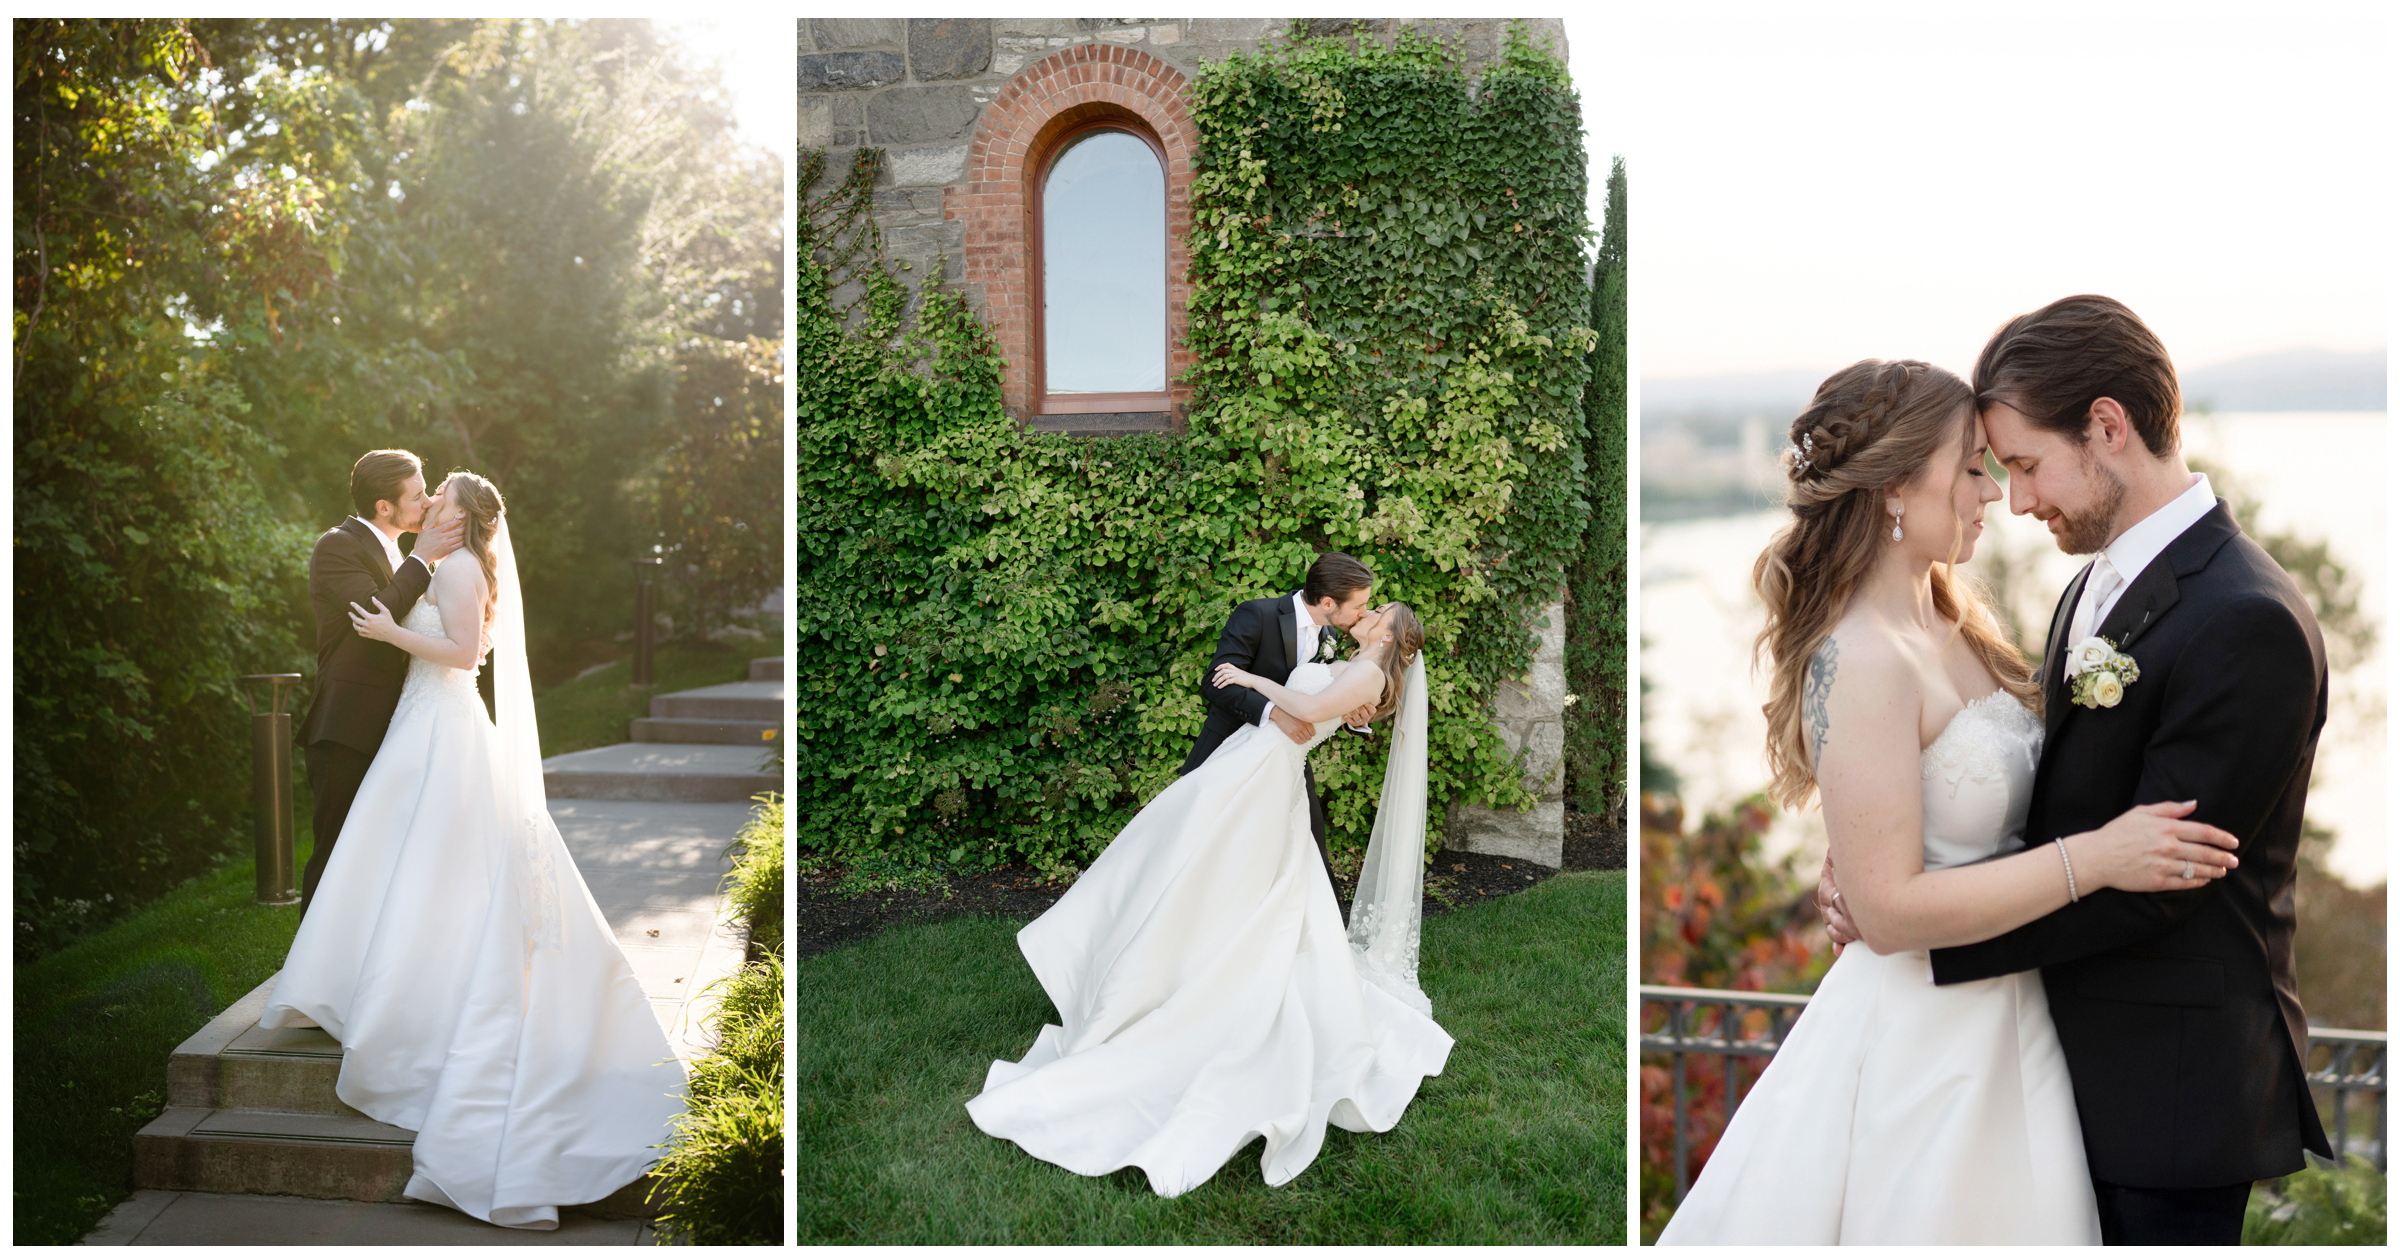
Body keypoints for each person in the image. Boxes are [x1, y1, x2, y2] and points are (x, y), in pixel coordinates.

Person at [1657, 358, 2246, 1245]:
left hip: (2023, 1023)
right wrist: (2095, 859)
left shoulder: (1956, 619)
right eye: (1973, 467)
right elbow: (1887, 912)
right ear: (1897, 485)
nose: (1994, 495)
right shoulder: (1857, 657)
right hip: (1922, 1045)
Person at [1820, 296, 2332, 1244]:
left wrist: (1908, 918)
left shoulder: (2245, 618)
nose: (2015, 500)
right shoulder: (2095, 581)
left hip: (2166, 1100)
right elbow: (2062, 799)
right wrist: (1880, 844)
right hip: (2051, 1068)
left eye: (2023, 465)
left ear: (2107, 426)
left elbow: (2160, 880)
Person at [261, 471, 687, 1229]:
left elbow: (461, 654)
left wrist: (395, 631)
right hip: (414, 724)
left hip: (442, 721)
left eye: (440, 496)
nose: (430, 503)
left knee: (432, 861)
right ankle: (365, 976)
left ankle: (412, 983)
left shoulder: (456, 566)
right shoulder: (412, 557)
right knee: (394, 858)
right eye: (422, 494)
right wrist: (407, 601)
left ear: (463, 515)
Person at [967, 601, 1451, 1197]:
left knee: (1221, 882)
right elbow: (1331, 707)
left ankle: (1197, 984)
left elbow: (1305, 707)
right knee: (1180, 865)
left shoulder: (1370, 671)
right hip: (1252, 768)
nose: (1371, 609)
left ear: (1392, 632)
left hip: (1267, 778)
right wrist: (1341, 713)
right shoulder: (1357, 665)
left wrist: (1252, 680)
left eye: (1381, 610)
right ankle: (1165, 967)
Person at [296, 450, 463, 915]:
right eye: (417, 495)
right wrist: (423, 556)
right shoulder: (337, 546)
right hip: (346, 727)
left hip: (397, 724)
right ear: (384, 507)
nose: (428, 503)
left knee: (380, 859)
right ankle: (310, 973)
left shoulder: (397, 551)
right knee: (335, 855)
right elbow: (373, 617)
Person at [1184, 552, 1382, 888]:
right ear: (1329, 602)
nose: (1364, 613)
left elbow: (1318, 698)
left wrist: (1351, 716)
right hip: (1226, 749)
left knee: (1309, 849)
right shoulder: (1256, 615)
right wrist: (1275, 713)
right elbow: (1216, 682)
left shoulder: (1329, 633)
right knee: (1197, 846)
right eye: (1359, 606)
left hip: (1285, 759)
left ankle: (1315, 935)